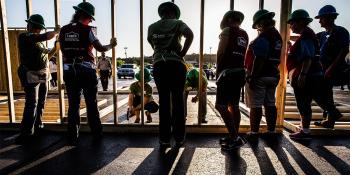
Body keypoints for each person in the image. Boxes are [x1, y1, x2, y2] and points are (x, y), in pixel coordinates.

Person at [59, 2, 117, 142]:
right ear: (84, 16)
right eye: (90, 18)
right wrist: (112, 45)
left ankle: (73, 135)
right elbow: (100, 48)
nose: (91, 20)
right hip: (85, 70)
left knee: (74, 104)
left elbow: (62, 50)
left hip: (69, 70)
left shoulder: (64, 30)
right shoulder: (87, 30)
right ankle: (97, 134)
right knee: (91, 103)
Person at [287, 9, 342, 139]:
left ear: (300, 22)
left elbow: (308, 56)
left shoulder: (306, 35)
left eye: (292, 23)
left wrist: (303, 74)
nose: (290, 26)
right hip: (314, 73)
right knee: (316, 97)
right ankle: (332, 112)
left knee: (303, 102)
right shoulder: (307, 34)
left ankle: (305, 131)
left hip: (307, 75)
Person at [147, 2, 193, 149]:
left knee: (164, 102)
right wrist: (183, 52)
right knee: (178, 101)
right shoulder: (178, 23)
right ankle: (179, 138)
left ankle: (164, 139)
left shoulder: (152, 27)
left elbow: (152, 44)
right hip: (176, 64)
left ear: (162, 13)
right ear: (174, 13)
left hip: (160, 64)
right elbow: (190, 34)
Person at [16, 14, 60, 143]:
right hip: (30, 73)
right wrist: (56, 32)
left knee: (41, 102)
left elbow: (46, 56)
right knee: (32, 103)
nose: (27, 25)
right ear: (38, 27)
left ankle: (38, 125)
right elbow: (45, 36)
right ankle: (26, 133)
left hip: (42, 73)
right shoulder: (25, 37)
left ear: (33, 25)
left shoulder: (39, 42)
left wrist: (55, 49)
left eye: (29, 23)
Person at [245, 9, 282, 139]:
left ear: (261, 23)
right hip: (273, 74)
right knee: (270, 103)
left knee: (255, 104)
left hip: (260, 75)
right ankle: (271, 131)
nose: (258, 29)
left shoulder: (264, 37)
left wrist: (253, 77)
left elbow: (259, 58)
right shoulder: (277, 36)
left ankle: (254, 132)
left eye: (257, 26)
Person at [216, 11, 248, 150]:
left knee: (221, 106)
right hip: (240, 72)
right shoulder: (244, 34)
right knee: (233, 105)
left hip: (227, 72)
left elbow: (221, 52)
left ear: (228, 19)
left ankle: (235, 138)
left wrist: (218, 71)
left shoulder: (227, 30)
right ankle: (234, 135)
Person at [314, 5, 348, 127]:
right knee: (326, 94)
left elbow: (344, 50)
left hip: (337, 70)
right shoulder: (322, 35)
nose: (319, 21)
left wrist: (331, 68)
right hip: (324, 70)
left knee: (314, 90)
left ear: (330, 18)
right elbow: (308, 38)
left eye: (321, 18)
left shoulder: (340, 31)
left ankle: (333, 114)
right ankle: (330, 119)